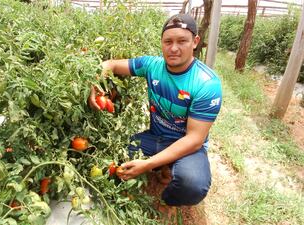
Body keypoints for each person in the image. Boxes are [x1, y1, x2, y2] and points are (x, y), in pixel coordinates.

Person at [88, 14, 222, 206]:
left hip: (188, 147)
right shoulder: (152, 66)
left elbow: (194, 140)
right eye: (168, 41)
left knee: (192, 184)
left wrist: (148, 165)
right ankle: (164, 166)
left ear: (195, 42)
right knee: (112, 152)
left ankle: (167, 200)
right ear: (161, 42)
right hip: (155, 138)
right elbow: (112, 64)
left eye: (182, 41)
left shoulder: (206, 84)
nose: (174, 48)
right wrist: (95, 81)